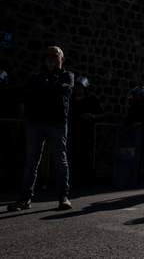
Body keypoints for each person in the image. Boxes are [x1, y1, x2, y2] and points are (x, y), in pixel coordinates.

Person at [7, 46, 74, 211]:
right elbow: (25, 94)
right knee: (31, 162)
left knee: (60, 161)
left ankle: (63, 196)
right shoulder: (36, 76)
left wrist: (40, 90)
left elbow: (62, 89)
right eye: (47, 55)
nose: (50, 57)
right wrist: (50, 87)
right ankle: (25, 198)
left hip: (57, 123)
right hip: (35, 123)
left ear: (62, 59)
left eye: (54, 55)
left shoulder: (67, 76)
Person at [68, 76, 104, 188]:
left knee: (83, 156)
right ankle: (72, 179)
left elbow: (102, 115)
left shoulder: (91, 100)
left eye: (80, 86)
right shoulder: (70, 99)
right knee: (70, 157)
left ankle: (88, 179)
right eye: (76, 86)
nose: (78, 88)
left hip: (84, 132)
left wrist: (91, 116)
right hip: (71, 131)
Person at [123, 85, 144, 186]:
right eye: (135, 95)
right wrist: (124, 123)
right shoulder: (134, 106)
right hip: (134, 135)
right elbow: (129, 118)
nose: (136, 96)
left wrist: (141, 123)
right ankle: (135, 178)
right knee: (134, 157)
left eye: (138, 94)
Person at [0, 68, 25, 182]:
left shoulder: (10, 92)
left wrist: (17, 121)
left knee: (9, 151)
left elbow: (20, 107)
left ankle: (8, 175)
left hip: (8, 125)